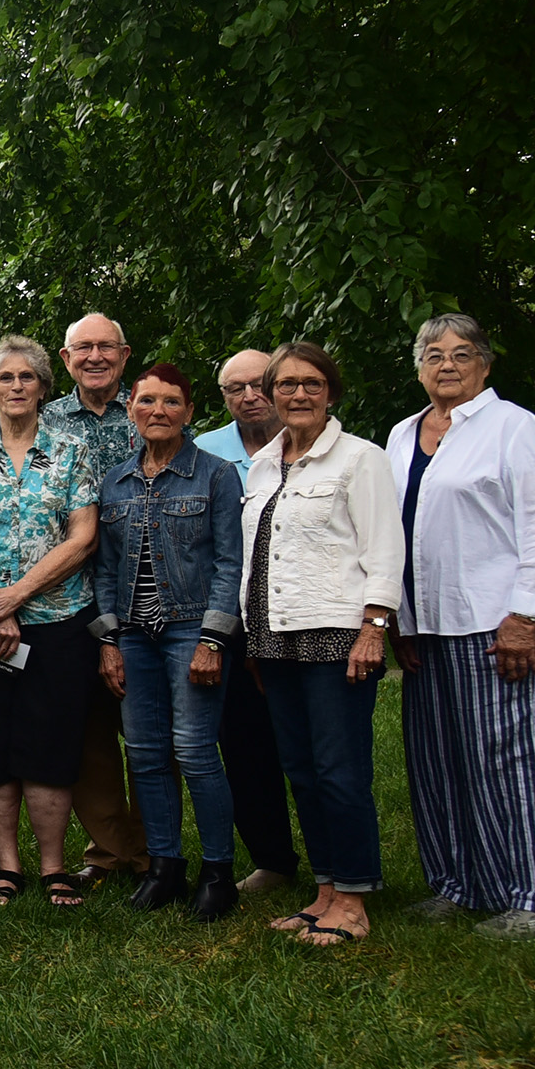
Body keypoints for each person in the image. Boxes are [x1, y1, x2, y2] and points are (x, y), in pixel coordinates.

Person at [387, 314, 535, 941]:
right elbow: (398, 536)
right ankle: (459, 885)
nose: (448, 365)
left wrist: (526, 616)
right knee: (439, 761)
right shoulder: (402, 434)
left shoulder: (514, 428)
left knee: (514, 760)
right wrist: (401, 622)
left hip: (499, 623)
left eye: (463, 354)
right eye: (434, 354)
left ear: (485, 365)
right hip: (428, 628)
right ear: (418, 367)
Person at [240, 342, 401, 948]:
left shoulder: (361, 460)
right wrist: (252, 639)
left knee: (340, 770)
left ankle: (355, 897)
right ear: (270, 393)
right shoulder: (263, 467)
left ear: (331, 392)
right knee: (302, 771)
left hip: (337, 637)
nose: (298, 395)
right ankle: (326, 889)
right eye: (286, 385)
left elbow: (384, 549)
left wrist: (374, 627)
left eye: (312, 384)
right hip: (274, 638)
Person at [0, 335, 103, 910]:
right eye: (4, 379)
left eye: (26, 378)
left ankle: (55, 868)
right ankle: (7, 867)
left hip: (56, 620)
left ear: (42, 387)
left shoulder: (73, 450)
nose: (15, 387)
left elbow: (83, 537)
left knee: (49, 742)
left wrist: (19, 598)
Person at [90, 364, 245, 921]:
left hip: (190, 630)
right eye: (147, 400)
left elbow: (230, 566)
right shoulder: (115, 482)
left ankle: (217, 872)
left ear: (189, 411)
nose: (158, 410)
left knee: (196, 751)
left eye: (171, 402)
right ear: (131, 407)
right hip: (133, 634)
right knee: (147, 754)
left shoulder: (217, 476)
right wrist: (108, 640)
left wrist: (213, 639)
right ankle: (164, 867)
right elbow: (105, 570)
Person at [42, 313, 151, 885]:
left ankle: (155, 844)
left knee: (149, 726)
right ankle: (110, 851)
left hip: (152, 586)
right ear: (65, 359)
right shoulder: (47, 420)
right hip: (74, 591)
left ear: (124, 353)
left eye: (105, 346)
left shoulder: (154, 409)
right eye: (82, 348)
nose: (94, 357)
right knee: (90, 730)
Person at [193, 348, 302, 896]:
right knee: (244, 745)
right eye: (235, 388)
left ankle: (338, 861)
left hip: (300, 617)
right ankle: (273, 860)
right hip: (230, 624)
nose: (249, 395)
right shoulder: (205, 452)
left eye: (260, 384)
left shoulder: (319, 444)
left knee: (310, 745)